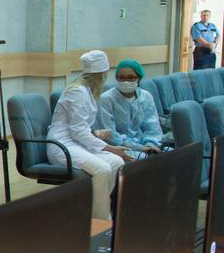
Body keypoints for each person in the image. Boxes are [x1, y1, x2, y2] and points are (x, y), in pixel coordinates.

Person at [48, 50, 131, 220]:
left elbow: (80, 127)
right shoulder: (78, 92)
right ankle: (100, 222)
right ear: (101, 74)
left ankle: (92, 213)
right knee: (102, 170)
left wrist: (97, 134)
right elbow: (77, 131)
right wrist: (111, 148)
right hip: (62, 146)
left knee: (116, 162)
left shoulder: (87, 91)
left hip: (76, 143)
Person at [97, 59, 163, 160]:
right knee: (144, 160)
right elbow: (110, 135)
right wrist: (140, 148)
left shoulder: (145, 97)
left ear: (139, 79)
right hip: (119, 147)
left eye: (131, 78)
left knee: (169, 154)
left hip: (144, 144)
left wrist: (150, 145)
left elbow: (152, 127)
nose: (126, 81)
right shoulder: (107, 99)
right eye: (121, 78)